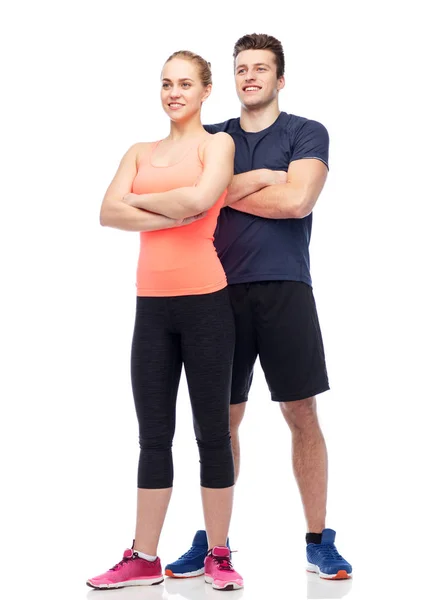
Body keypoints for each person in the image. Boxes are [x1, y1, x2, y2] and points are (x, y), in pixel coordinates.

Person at [165, 34, 353, 581]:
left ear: (280, 78)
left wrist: (226, 190)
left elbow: (298, 201)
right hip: (216, 290)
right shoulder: (214, 136)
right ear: (233, 78)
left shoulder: (305, 131)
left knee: (302, 413)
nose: (250, 76)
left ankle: (319, 540)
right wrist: (263, 178)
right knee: (220, 421)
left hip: (286, 288)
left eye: (261, 68)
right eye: (242, 68)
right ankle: (213, 542)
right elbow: (192, 200)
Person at [86, 50, 243, 592]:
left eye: (184, 84)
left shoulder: (217, 144)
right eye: (166, 83)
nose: (173, 92)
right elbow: (107, 212)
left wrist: (142, 201)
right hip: (151, 308)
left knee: (212, 437)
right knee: (153, 437)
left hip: (206, 304)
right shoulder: (139, 150)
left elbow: (203, 200)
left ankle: (218, 554)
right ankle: (143, 557)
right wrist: (173, 207)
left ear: (205, 92)